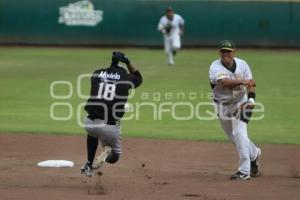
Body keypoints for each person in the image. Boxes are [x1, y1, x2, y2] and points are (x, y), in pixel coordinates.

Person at [81, 51, 143, 177]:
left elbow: (107, 78)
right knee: (114, 157)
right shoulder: (126, 78)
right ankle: (107, 155)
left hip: (90, 123)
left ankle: (88, 163)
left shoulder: (96, 73)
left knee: (93, 133)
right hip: (110, 128)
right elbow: (138, 77)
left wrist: (114, 63)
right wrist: (127, 61)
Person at [208, 40, 261, 180]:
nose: (226, 54)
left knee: (240, 133)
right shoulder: (215, 67)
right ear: (219, 53)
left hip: (240, 103)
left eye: (228, 51)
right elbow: (224, 83)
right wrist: (244, 82)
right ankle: (254, 154)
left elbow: (252, 84)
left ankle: (244, 172)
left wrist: (251, 100)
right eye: (223, 51)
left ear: (234, 52)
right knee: (232, 135)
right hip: (221, 105)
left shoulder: (243, 64)